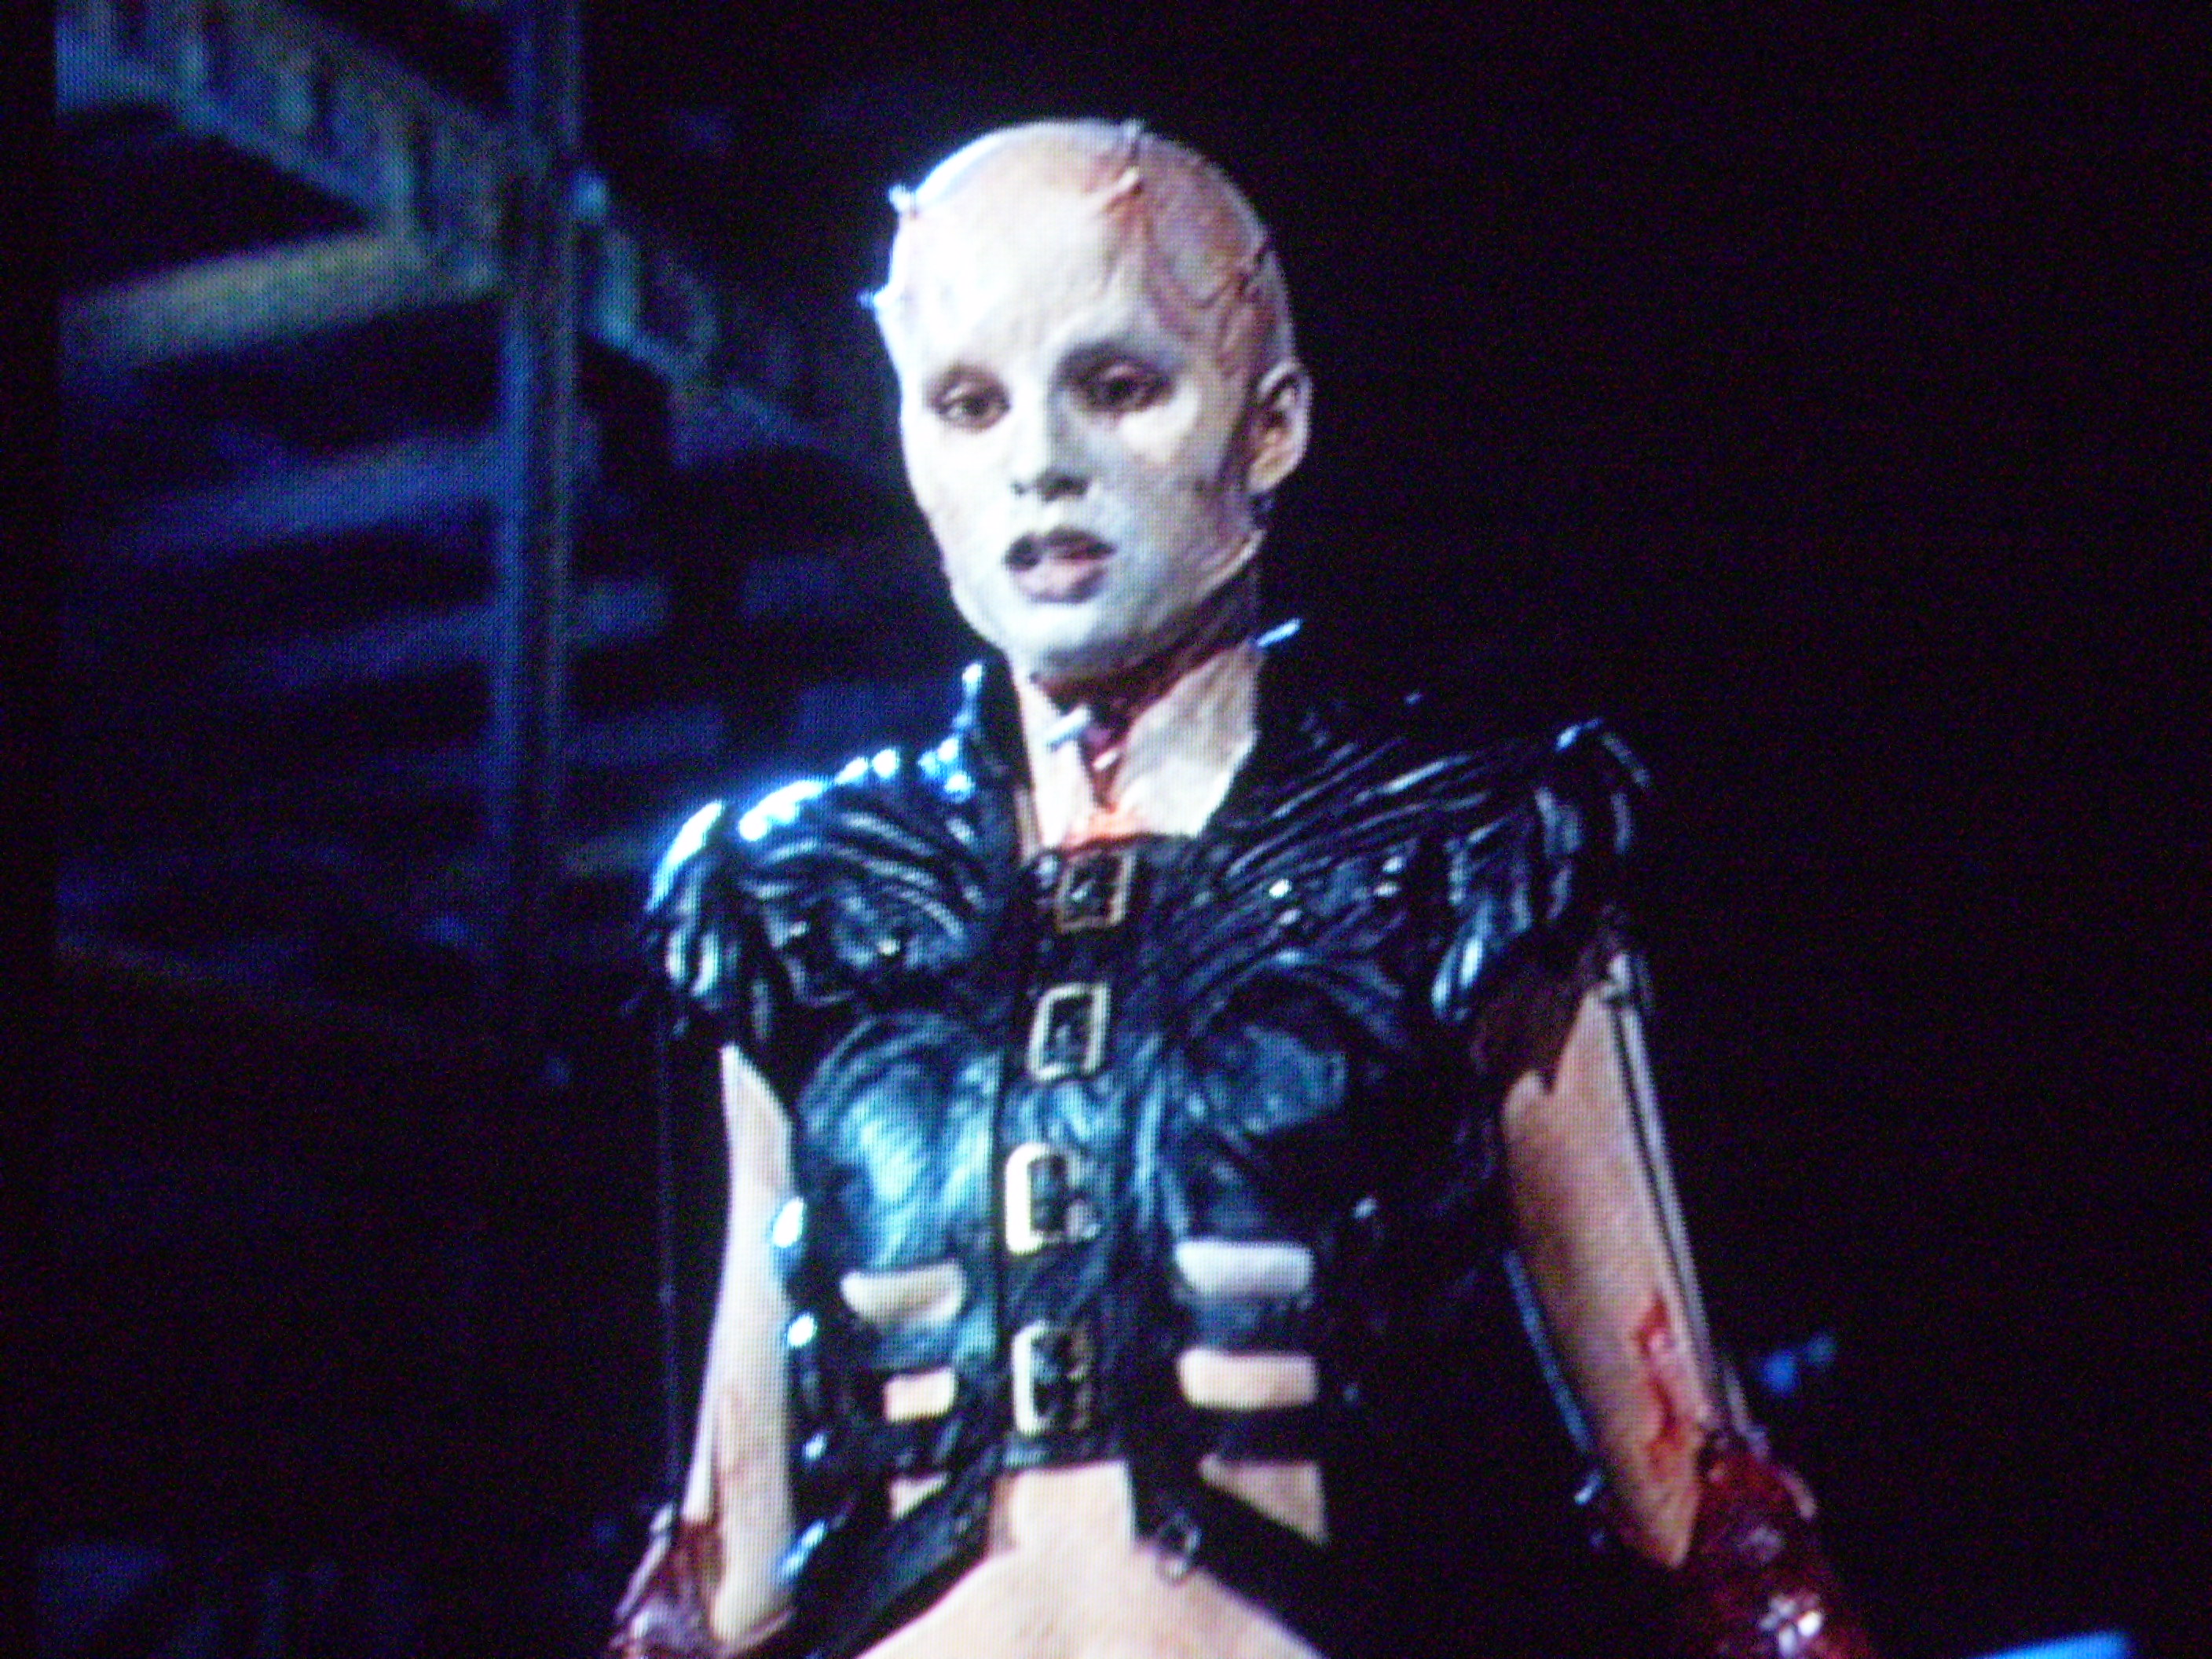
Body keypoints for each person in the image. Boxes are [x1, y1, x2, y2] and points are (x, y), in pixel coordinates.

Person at [610, 119, 1878, 1659]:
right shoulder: (798, 904)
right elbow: (723, 1547)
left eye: (1118, 386)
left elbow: (1699, 1499)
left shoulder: (1461, 855)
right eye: (967, 404)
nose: (1038, 464)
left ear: (1270, 425)